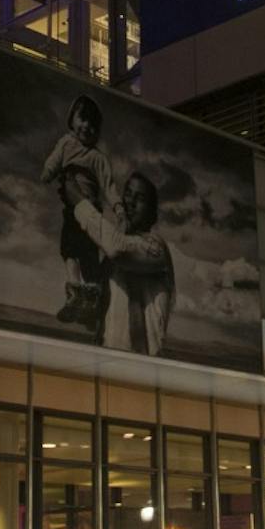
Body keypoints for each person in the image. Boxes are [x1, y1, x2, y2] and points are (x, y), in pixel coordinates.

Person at [63, 169, 174, 355]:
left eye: (139, 198)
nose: (129, 202)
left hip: (142, 368)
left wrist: (80, 203)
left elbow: (117, 247)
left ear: (151, 211)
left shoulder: (156, 248)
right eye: (128, 194)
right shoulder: (112, 263)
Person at [41, 94, 122, 327]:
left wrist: (117, 206)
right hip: (71, 211)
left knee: (88, 256)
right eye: (83, 119)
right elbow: (53, 162)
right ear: (72, 120)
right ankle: (75, 291)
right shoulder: (65, 144)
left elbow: (109, 186)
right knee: (68, 251)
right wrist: (48, 172)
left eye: (93, 124)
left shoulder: (97, 158)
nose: (87, 126)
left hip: (91, 214)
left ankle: (93, 298)